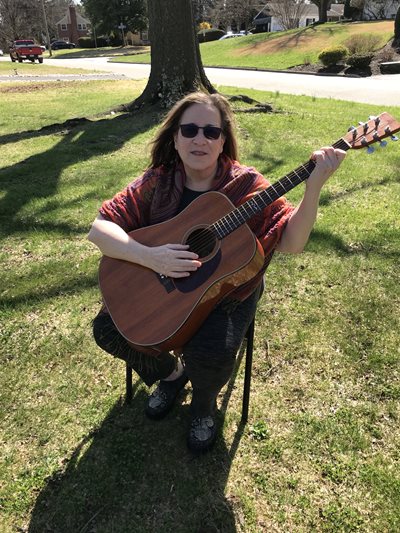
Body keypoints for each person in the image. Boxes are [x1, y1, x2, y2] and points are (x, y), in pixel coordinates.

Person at [88, 91, 345, 454]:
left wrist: (314, 185)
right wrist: (152, 257)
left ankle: (203, 407)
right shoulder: (158, 182)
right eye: (189, 129)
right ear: (175, 139)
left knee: (213, 350)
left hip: (229, 290)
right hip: (160, 279)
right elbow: (100, 229)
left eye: (211, 132)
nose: (199, 139)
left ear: (223, 140)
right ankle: (172, 376)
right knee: (108, 330)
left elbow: (291, 242)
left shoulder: (246, 186)